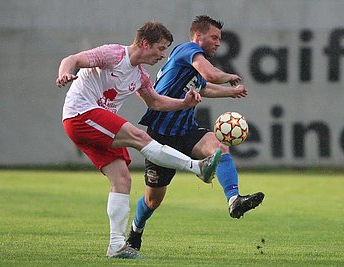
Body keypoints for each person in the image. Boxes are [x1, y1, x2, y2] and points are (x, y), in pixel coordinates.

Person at [55, 20, 222, 259]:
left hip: (94, 124)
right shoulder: (113, 54)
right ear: (145, 43)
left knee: (122, 179)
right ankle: (197, 167)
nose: (163, 55)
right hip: (80, 113)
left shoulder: (140, 76)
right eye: (161, 48)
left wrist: (184, 103)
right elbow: (72, 59)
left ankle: (116, 245)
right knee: (138, 136)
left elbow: (155, 102)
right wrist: (64, 74)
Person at [126, 15, 265, 252]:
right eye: (214, 37)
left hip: (187, 130)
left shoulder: (193, 67)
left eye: (220, 38)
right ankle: (135, 233)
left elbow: (205, 86)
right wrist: (229, 77)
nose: (218, 42)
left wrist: (230, 92)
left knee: (220, 147)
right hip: (161, 136)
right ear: (198, 36)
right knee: (153, 200)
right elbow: (210, 75)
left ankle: (234, 200)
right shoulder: (186, 50)